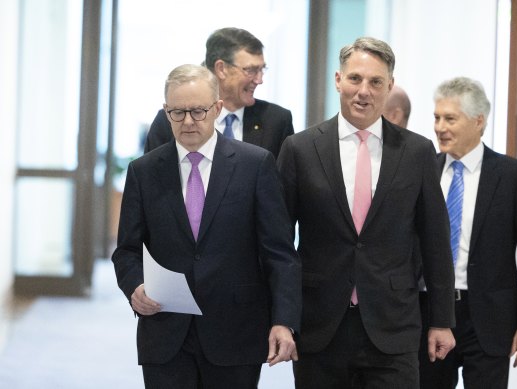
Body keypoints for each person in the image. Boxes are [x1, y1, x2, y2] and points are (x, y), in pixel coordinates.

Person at [277, 37, 456, 389]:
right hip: (319, 327)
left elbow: (436, 241)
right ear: (338, 80)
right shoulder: (299, 149)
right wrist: (280, 318)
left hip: (394, 329)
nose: (364, 91)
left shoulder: (417, 152)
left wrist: (442, 319)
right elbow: (279, 244)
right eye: (356, 79)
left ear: (389, 86)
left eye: (376, 82)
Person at [112, 64, 301, 388]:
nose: (187, 121)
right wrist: (135, 287)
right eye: (177, 112)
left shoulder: (254, 165)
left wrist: (283, 320)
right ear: (165, 112)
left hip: (235, 332)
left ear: (217, 108)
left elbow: (279, 252)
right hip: (166, 332)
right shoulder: (144, 172)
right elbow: (126, 250)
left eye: (198, 111)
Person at [419, 76, 517, 389]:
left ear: (479, 121)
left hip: (489, 319)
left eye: (450, 118)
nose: (440, 127)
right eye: (436, 118)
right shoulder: (424, 170)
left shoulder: (514, 176)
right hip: (431, 312)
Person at [143, 27, 294, 159]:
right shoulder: (170, 121)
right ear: (221, 69)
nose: (259, 80)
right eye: (251, 70)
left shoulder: (276, 121)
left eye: (261, 70)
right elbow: (151, 179)